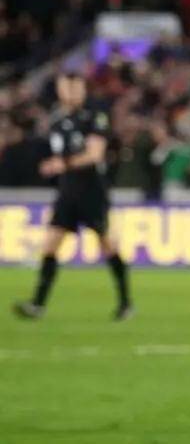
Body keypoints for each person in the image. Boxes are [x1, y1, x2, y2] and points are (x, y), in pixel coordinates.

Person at [13, 72, 133, 321]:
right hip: (68, 191)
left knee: (107, 245)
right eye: (66, 88)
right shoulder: (58, 120)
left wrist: (62, 164)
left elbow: (95, 154)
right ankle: (37, 304)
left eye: (75, 88)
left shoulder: (94, 117)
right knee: (50, 244)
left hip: (92, 191)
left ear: (83, 90)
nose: (71, 93)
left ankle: (125, 303)